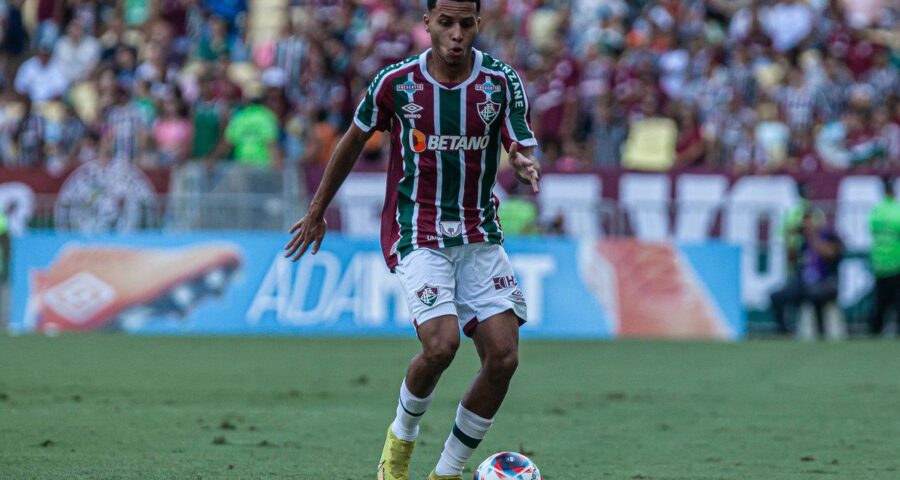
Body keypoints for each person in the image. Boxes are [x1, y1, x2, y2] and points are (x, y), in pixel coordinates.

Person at [283, 1, 541, 479]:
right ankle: (397, 451)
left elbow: (519, 140)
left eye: (466, 23)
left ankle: (446, 473)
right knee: (441, 346)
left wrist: (523, 161)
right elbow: (353, 140)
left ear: (478, 24)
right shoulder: (395, 83)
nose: (457, 34)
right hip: (416, 230)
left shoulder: (501, 82)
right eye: (446, 22)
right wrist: (317, 211)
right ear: (427, 23)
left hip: (479, 233)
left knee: (503, 357)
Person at [770, 209, 844, 336]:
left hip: (825, 282)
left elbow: (830, 254)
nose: (806, 226)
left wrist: (812, 236)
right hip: (804, 284)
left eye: (808, 222)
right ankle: (784, 332)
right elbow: (792, 260)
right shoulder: (803, 242)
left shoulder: (829, 236)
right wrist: (790, 239)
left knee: (815, 295)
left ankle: (821, 332)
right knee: (777, 297)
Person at [868, 176, 900, 336]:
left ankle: (875, 330)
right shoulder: (897, 211)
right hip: (896, 261)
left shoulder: (877, 211)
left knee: (880, 300)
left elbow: (872, 232)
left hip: (879, 262)